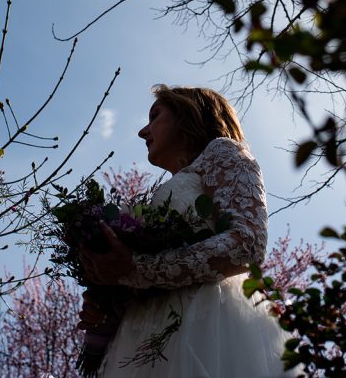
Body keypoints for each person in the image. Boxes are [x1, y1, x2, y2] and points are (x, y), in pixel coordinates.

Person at [79, 85, 296, 377]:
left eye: (155, 116)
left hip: (207, 325)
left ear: (187, 115)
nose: (144, 132)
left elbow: (247, 243)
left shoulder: (223, 152)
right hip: (144, 337)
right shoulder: (162, 194)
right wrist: (110, 298)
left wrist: (136, 268)